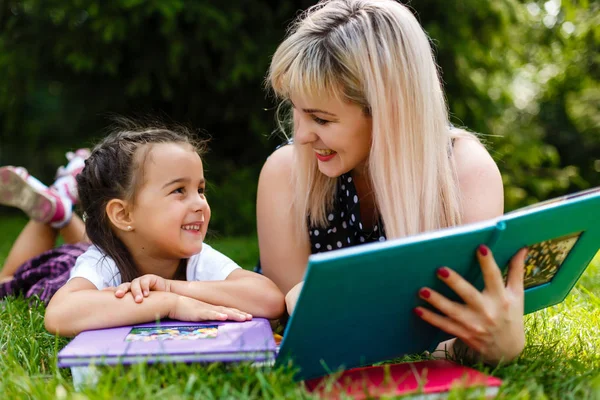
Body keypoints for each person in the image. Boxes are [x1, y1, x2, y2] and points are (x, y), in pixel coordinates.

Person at [256, 0, 528, 366]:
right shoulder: (285, 173)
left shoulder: (465, 173)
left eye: (321, 118)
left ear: (388, 113)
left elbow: (457, 334)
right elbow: (296, 328)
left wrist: (492, 346)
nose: (301, 135)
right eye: (297, 110)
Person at [40, 121, 285, 336]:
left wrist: (169, 286)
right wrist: (169, 303)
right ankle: (58, 208)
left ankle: (64, 207)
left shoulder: (197, 260)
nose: (200, 203)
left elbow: (270, 300)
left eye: (200, 190)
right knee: (11, 278)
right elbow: (60, 313)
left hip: (102, 237)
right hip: (64, 267)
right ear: (124, 214)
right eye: (179, 190)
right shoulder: (102, 263)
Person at [0, 150, 92, 300]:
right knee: (102, 255)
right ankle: (62, 196)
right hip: (91, 265)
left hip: (87, 266)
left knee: (7, 283)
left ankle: (62, 194)